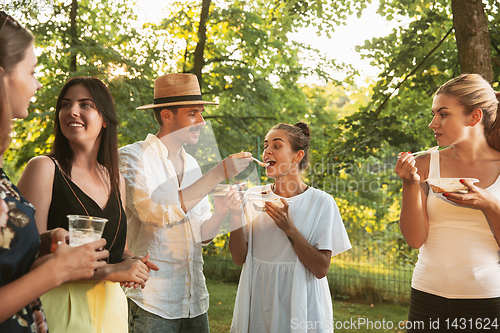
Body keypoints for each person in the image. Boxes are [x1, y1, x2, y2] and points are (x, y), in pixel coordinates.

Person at [17, 77, 158, 332]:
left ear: (105, 119)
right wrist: (112, 271)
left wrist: (134, 262)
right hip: (58, 308)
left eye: (85, 104)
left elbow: (118, 250)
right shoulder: (44, 169)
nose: (72, 111)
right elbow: (25, 258)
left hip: (112, 312)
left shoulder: (116, 180)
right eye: (66, 104)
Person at [0, 11, 109, 332]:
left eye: (86, 104)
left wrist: (44, 242)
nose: (37, 84)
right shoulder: (44, 167)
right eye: (32, 71)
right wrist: (56, 271)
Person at [119, 73, 252, 333]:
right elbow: (156, 212)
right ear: (167, 116)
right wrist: (218, 173)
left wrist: (221, 213)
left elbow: (202, 234)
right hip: (152, 303)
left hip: (194, 303)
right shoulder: (132, 157)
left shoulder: (191, 164)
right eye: (193, 114)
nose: (202, 122)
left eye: (202, 114)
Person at [395, 74, 500, 332]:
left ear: (474, 117)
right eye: (433, 114)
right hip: (427, 294)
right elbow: (415, 239)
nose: (433, 123)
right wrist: (409, 183)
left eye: (443, 114)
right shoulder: (424, 164)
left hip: (487, 299)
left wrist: (489, 205)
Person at [228, 122, 351, 333]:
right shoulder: (252, 196)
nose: (266, 151)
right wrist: (234, 214)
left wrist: (289, 229)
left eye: (276, 146)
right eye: (266, 146)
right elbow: (239, 258)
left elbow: (321, 269)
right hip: (258, 300)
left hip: (301, 305)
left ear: (297, 156)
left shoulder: (322, 202)